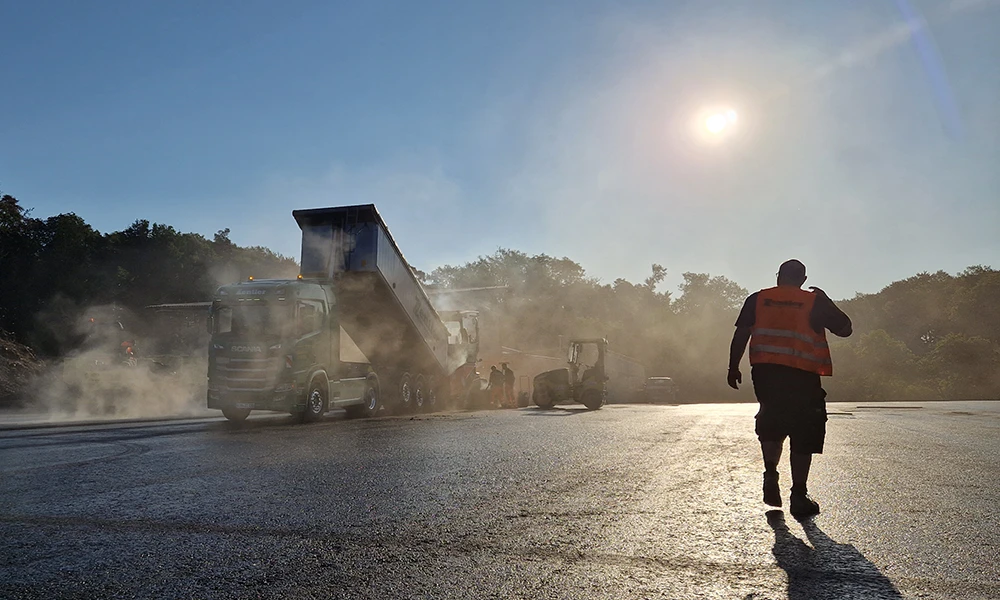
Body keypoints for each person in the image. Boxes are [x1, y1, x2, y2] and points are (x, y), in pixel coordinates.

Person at [728, 259, 852, 519]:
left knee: (771, 422)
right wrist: (827, 300)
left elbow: (741, 333)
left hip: (766, 374)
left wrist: (733, 367)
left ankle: (771, 473)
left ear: (778, 277)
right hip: (803, 375)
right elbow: (845, 330)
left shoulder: (758, 299)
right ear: (803, 279)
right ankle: (798, 494)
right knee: (804, 430)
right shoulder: (813, 301)